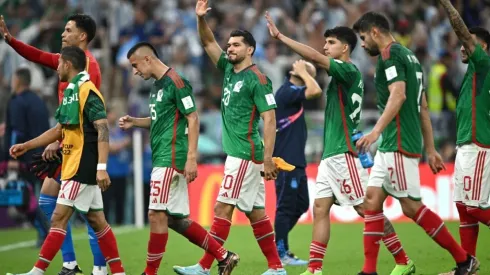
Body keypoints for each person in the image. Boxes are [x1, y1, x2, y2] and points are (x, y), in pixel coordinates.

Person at [265, 14, 415, 275]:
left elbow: (314, 57)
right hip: (330, 155)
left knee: (366, 208)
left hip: (343, 153)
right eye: (325, 42)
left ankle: (403, 260)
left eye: (331, 42)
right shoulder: (342, 74)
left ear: (344, 48)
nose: (326, 47)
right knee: (320, 207)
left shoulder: (347, 70)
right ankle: (314, 269)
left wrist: (280, 37)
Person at [352, 12, 479, 275]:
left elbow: (398, 94)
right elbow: (422, 105)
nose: (362, 45)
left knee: (411, 207)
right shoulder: (411, 57)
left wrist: (376, 131)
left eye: (363, 38)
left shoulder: (391, 56)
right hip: (397, 142)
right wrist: (430, 149)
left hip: (397, 141)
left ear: (375, 32)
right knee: (372, 201)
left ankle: (464, 260)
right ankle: (368, 270)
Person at [173, 1, 285, 274]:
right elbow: (208, 40)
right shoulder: (227, 69)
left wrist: (269, 158)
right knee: (256, 213)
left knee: (223, 209)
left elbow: (270, 120)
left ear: (250, 49)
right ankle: (276, 267)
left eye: (236, 45)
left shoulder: (257, 79)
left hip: (245, 155)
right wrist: (200, 19)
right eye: (229, 44)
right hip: (244, 155)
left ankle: (204, 267)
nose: (229, 48)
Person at [118, 41, 239, 275]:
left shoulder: (177, 82)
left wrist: (192, 158)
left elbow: (193, 118)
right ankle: (224, 256)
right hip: (163, 156)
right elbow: (160, 121)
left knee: (155, 214)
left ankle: (150, 272)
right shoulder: (157, 86)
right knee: (174, 219)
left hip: (171, 157)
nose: (134, 71)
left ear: (147, 59)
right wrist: (136, 121)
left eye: (135, 65)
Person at [0, 14, 106, 275]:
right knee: (52, 201)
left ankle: (89, 266)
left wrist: (59, 143)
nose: (62, 34)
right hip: (69, 143)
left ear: (83, 36)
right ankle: (76, 264)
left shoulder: (88, 68)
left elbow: (86, 116)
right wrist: (11, 41)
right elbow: (37, 56)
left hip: (81, 146)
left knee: (84, 214)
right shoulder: (67, 63)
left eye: (68, 30)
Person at [437, 1, 490, 274]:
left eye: (468, 44)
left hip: (478, 145)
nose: (461, 47)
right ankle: (467, 265)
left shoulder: (483, 64)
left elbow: (463, 34)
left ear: (481, 47)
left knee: (475, 206)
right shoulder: (472, 72)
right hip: (465, 146)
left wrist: (447, 5)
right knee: (463, 206)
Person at [271, 60, 321, 266]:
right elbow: (315, 90)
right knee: (285, 207)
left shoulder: (293, 92)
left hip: (296, 161)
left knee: (301, 204)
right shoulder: (286, 92)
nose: (312, 73)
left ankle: (278, 244)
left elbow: (314, 84)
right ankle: (280, 252)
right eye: (303, 67)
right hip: (286, 161)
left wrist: (306, 72)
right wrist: (303, 71)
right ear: (295, 71)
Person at [4, 67, 51, 246]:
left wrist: (12, 157)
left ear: (17, 80)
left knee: (25, 198)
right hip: (43, 155)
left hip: (25, 158)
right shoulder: (38, 101)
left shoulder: (17, 101)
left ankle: (44, 231)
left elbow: (17, 130)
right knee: (40, 196)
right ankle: (49, 229)